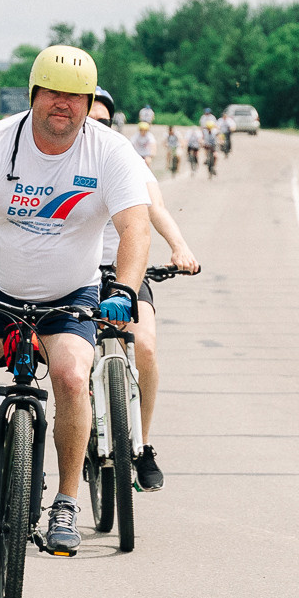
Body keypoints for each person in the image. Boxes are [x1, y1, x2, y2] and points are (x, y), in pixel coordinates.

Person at [0, 45, 153, 557]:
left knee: (70, 378)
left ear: (88, 104)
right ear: (34, 95)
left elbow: (135, 227)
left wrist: (124, 290)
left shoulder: (109, 152)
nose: (64, 104)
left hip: (70, 293)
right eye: (54, 93)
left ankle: (66, 501)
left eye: (76, 96)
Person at [90, 94, 201, 491]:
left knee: (146, 348)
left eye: (104, 120)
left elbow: (155, 208)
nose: (97, 127)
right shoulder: (60, 158)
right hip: (76, 276)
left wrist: (179, 246)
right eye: (91, 119)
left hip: (125, 271)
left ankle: (142, 445)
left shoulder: (124, 158)